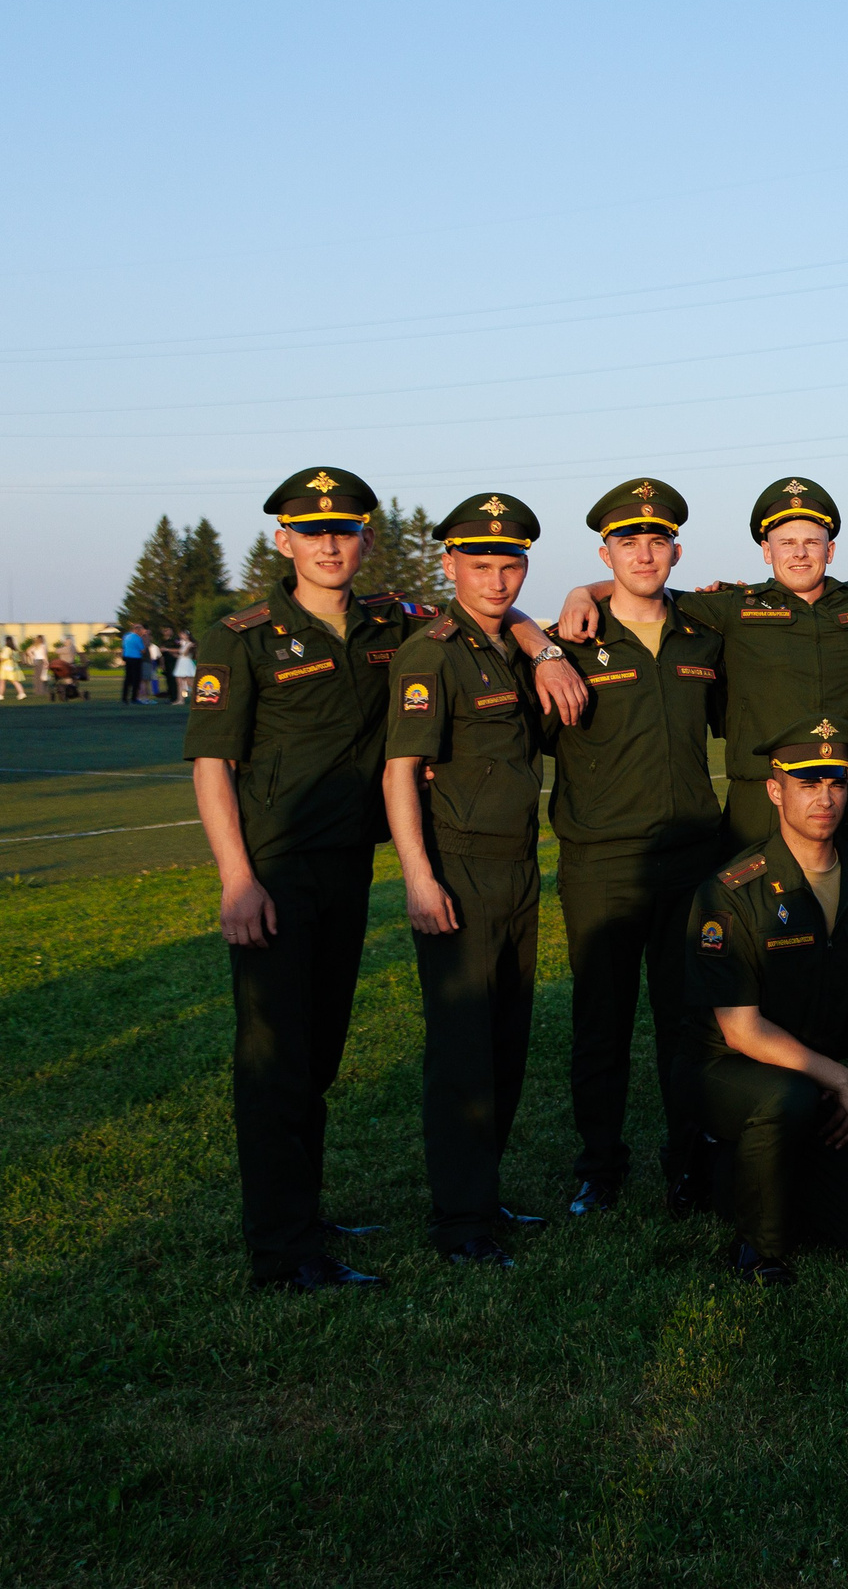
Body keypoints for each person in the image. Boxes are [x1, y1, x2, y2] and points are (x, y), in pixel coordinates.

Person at [187, 468, 579, 1291]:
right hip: (275, 870)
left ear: (365, 538)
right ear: (282, 538)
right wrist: (235, 879)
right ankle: (282, 1247)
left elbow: (492, 611)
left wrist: (544, 645)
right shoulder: (245, 635)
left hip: (346, 867)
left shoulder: (389, 622)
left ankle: (306, 1213)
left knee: (319, 1053)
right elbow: (213, 763)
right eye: (312, 529)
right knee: (274, 1061)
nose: (330, 543)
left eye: (345, 529)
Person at [554, 475, 848, 851]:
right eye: (786, 543)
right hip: (758, 794)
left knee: (844, 913)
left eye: (812, 542)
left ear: (830, 550)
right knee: (750, 917)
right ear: (767, 552)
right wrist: (581, 592)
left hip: (832, 788)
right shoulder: (735, 606)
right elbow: (645, 585)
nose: (799, 554)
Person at [384, 492, 559, 1268]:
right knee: (462, 1050)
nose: (498, 578)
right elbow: (399, 771)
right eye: (480, 563)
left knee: (505, 1042)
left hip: (518, 864)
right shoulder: (433, 652)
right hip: (458, 867)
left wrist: (542, 640)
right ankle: (460, 1222)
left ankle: (481, 1194)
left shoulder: (513, 643)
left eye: (510, 562)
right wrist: (419, 878)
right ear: (449, 564)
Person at [544, 479, 727, 1218]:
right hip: (602, 860)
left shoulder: (702, 634)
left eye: (657, 540)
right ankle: (600, 1165)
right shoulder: (571, 643)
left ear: (676, 548)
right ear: (604, 552)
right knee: (603, 1020)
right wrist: (545, 639)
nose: (644, 553)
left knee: (688, 1021)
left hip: (690, 855)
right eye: (628, 542)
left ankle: (687, 1161)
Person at [686, 720, 848, 1285]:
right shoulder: (731, 892)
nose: (824, 797)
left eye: (836, 782)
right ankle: (755, 1250)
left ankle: (798, 1155)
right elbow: (742, 1031)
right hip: (738, 1070)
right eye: (807, 782)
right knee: (786, 1100)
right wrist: (841, 1081)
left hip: (828, 1073)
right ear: (775, 790)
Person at [120, 621, 147, 703]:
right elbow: (143, 650)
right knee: (136, 679)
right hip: (136, 659)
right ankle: (134, 698)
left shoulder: (126, 637)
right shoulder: (137, 638)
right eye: (141, 630)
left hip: (127, 658)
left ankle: (124, 697)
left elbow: (123, 648)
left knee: (127, 678)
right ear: (137, 630)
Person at [174, 633, 197, 704]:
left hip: (186, 663)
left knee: (189, 682)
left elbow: (185, 654)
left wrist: (187, 646)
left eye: (183, 634)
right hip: (181, 662)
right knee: (179, 683)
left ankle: (198, 696)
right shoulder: (183, 644)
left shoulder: (190, 644)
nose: (181, 636)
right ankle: (180, 700)